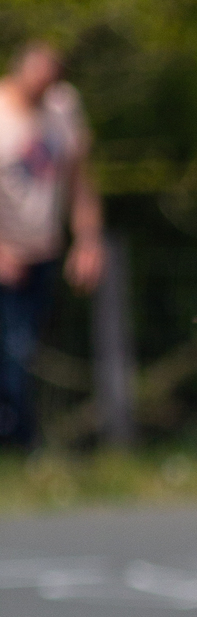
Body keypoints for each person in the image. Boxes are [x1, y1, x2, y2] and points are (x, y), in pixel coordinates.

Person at [0, 43, 105, 452]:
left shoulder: (62, 109)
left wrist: (89, 240)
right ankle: (21, 444)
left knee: (24, 353)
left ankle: (21, 444)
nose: (45, 90)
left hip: (41, 250)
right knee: (11, 352)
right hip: (4, 254)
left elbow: (80, 180)